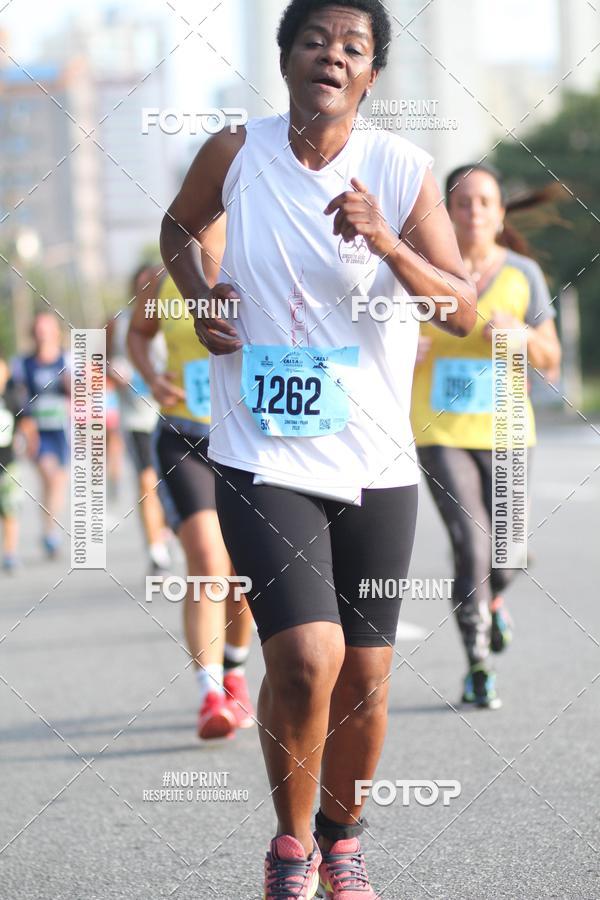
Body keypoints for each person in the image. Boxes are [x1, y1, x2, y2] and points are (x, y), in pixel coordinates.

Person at [159, 1, 476, 896]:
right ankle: (292, 847)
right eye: (314, 40)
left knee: (365, 678)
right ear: (286, 57)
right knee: (305, 659)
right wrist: (201, 293)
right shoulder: (235, 151)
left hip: (375, 461)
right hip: (263, 453)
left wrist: (386, 241)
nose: (332, 55)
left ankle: (345, 837)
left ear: (371, 75)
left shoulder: (402, 169)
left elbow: (458, 307)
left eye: (353, 47)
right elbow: (179, 229)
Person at [411, 162, 561, 710]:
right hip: (440, 429)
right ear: (446, 214)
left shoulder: (522, 274)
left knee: (509, 554)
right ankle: (478, 664)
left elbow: (551, 358)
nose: (474, 211)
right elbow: (376, 342)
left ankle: (496, 600)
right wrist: (407, 347)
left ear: (500, 214)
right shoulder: (423, 272)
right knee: (471, 545)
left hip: (508, 429)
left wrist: (520, 337)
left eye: (484, 202)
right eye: (463, 203)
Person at [128, 218, 255, 742]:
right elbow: (138, 332)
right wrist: (152, 375)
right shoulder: (165, 278)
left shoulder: (257, 261)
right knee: (207, 561)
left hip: (249, 438)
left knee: (245, 575)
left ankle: (234, 672)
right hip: (185, 436)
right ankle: (208, 695)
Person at [107, 268, 171, 575]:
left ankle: (170, 524)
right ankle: (156, 549)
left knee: (167, 483)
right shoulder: (118, 324)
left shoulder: (177, 313)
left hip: (171, 414)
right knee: (147, 479)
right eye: (141, 286)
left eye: (152, 285)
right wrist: (112, 371)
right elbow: (98, 360)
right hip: (137, 417)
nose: (148, 291)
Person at [12, 312, 70, 558]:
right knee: (49, 474)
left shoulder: (68, 359)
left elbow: (85, 393)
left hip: (63, 430)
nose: (42, 333)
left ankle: (49, 528)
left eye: (47, 328)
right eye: (38, 329)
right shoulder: (23, 363)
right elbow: (18, 399)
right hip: (37, 430)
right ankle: (50, 532)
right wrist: (23, 430)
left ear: (56, 332)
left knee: (58, 483)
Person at [0, 358, 22, 572]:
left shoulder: (11, 399)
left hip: (9, 464)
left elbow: (26, 422)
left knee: (10, 509)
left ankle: (10, 553)